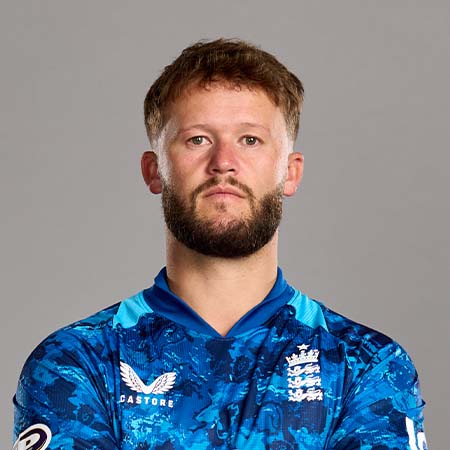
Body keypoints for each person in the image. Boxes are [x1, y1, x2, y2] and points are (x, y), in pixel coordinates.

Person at [13, 39, 427, 450]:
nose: (224, 162)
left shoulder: (365, 364)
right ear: (154, 171)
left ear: (290, 172)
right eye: (198, 139)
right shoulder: (77, 361)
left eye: (250, 140)